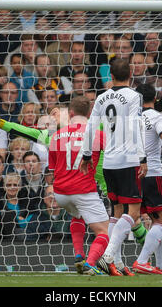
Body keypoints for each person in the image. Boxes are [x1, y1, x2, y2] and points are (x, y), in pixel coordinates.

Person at [80, 58, 147, 276]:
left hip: (108, 162)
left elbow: (91, 126)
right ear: (131, 74)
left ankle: (115, 263)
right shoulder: (134, 96)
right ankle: (107, 255)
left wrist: (87, 155)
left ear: (111, 76)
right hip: (128, 160)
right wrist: (142, 157)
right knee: (134, 212)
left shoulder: (101, 97)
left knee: (117, 210)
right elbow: (137, 126)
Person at [47, 96, 109, 275]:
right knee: (106, 232)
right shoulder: (96, 134)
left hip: (60, 193)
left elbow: (52, 168)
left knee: (77, 215)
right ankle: (90, 263)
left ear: (71, 113)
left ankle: (79, 255)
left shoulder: (56, 135)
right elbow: (113, 157)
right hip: (84, 190)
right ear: (89, 113)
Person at [131, 83, 162, 275]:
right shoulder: (157, 116)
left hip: (133, 173)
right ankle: (142, 261)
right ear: (155, 98)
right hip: (152, 173)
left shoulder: (131, 118)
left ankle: (161, 264)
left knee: (155, 219)